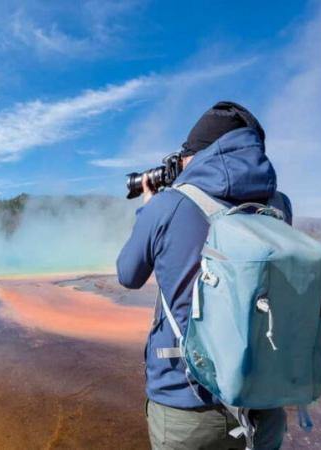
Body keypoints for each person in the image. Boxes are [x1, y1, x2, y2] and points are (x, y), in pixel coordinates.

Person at [116, 101, 289, 450]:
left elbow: (128, 274)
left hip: (186, 403)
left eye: (183, 156)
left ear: (198, 154)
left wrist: (149, 210)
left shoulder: (169, 205)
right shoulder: (279, 205)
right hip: (264, 399)